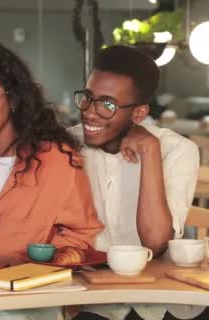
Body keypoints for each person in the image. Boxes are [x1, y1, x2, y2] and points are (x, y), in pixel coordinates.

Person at [0, 42, 103, 320]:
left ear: (12, 99)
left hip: (28, 298)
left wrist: (45, 261)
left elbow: (80, 234)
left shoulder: (55, 159)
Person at [69, 46, 201, 320]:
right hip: (90, 300)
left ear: (139, 114)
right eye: (88, 98)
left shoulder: (176, 150)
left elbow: (156, 243)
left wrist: (149, 150)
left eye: (108, 105)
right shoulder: (65, 146)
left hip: (160, 301)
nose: (90, 113)